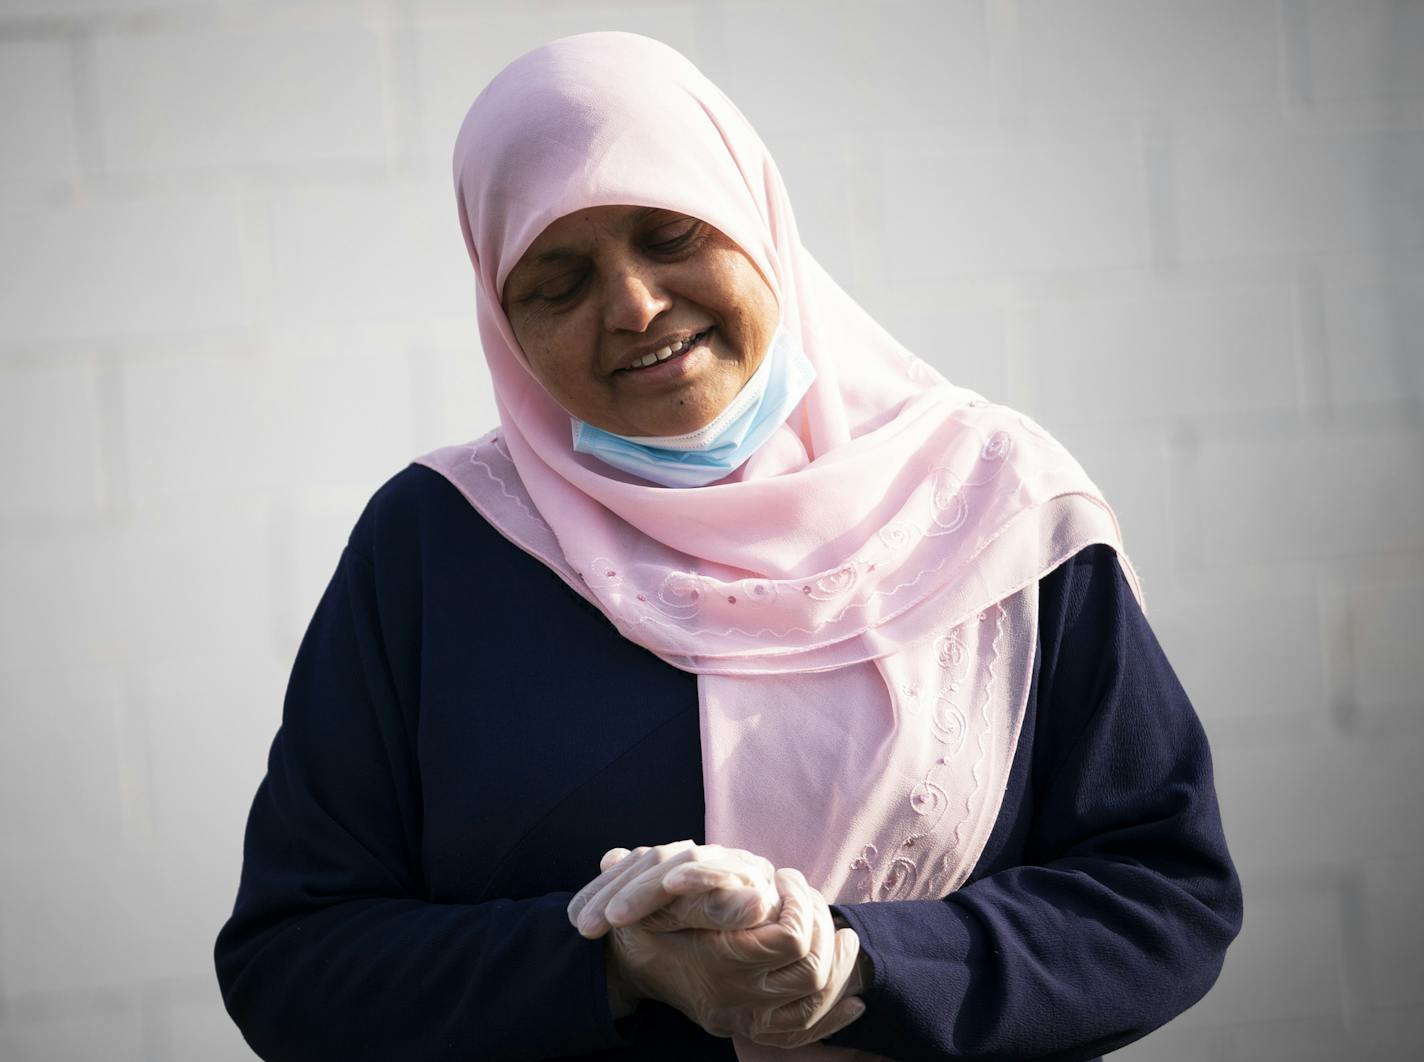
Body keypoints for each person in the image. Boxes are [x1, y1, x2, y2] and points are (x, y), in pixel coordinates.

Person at [214, 31, 1243, 1062]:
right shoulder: (437, 547)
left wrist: (857, 966)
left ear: (756, 223)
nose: (632, 305)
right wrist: (613, 966)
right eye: (557, 283)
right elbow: (295, 960)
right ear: (502, 321)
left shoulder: (996, 507)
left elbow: (1161, 893)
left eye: (669, 236)